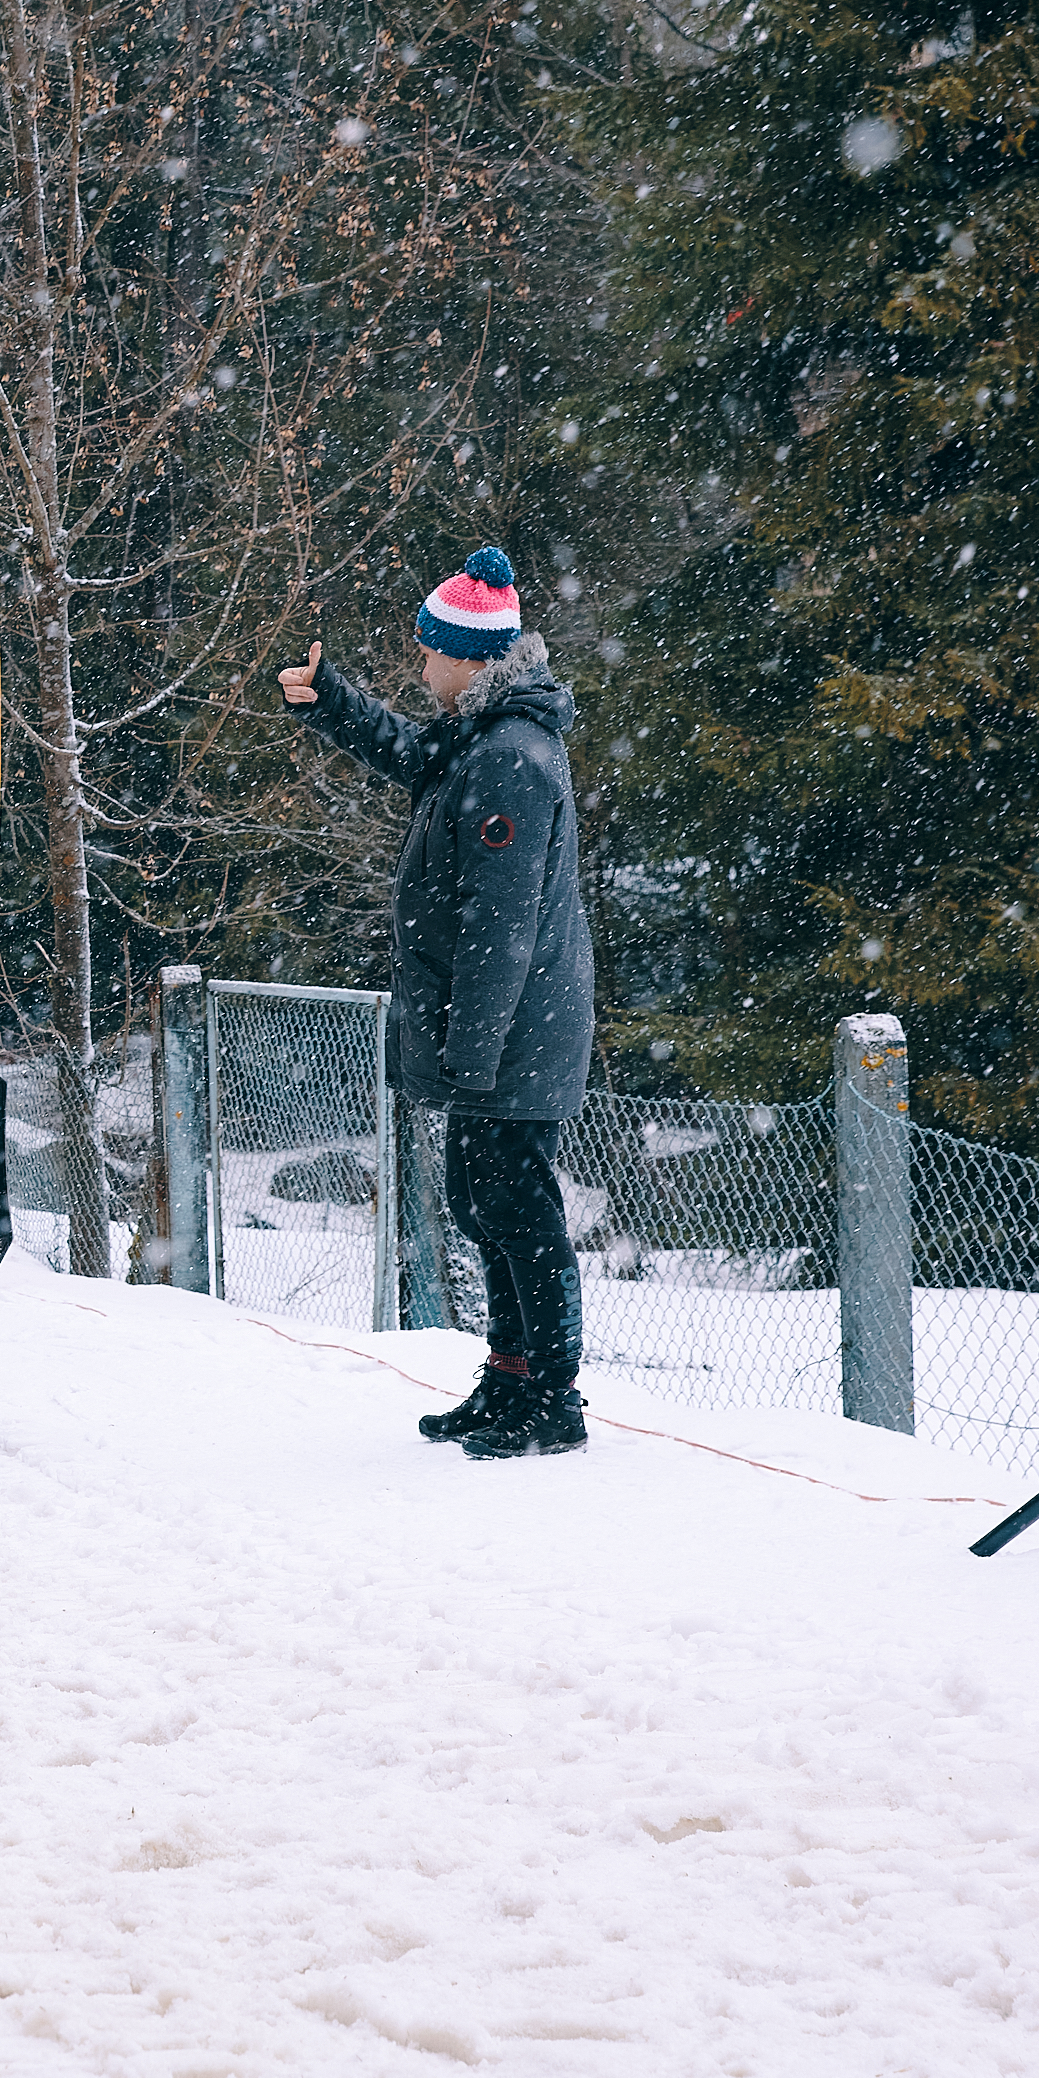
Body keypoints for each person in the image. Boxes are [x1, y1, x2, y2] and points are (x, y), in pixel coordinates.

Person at [280, 547, 595, 1460]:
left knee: (517, 1206)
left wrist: (472, 1048)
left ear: (468, 658)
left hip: (514, 1034)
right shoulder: (478, 737)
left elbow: (502, 923)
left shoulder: (512, 760)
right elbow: (408, 751)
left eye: (429, 652)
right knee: (480, 1197)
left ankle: (555, 1397)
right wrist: (329, 698)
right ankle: (510, 1377)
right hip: (496, 1033)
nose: (420, 666)